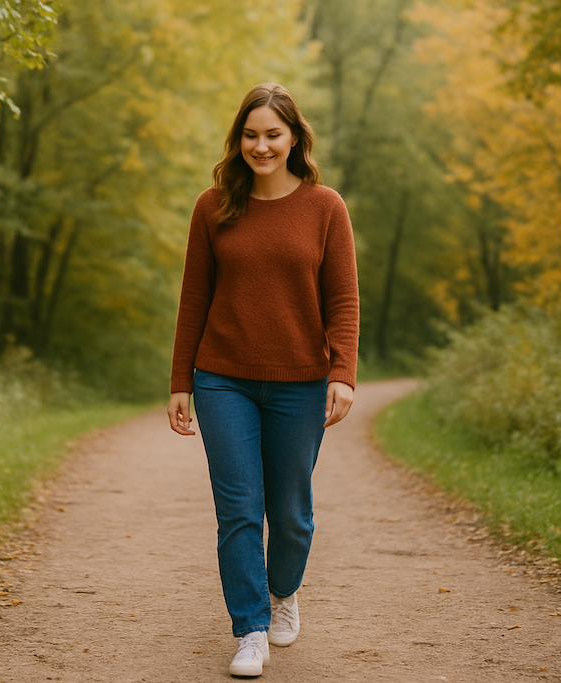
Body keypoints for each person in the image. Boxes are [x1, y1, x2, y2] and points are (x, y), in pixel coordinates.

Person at [166, 83, 359, 678]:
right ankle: (250, 628)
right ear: (238, 139)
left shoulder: (326, 207)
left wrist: (343, 373)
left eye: (272, 134)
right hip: (222, 378)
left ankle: (284, 593)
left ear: (294, 137)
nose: (261, 145)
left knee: (291, 510)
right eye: (250, 135)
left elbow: (343, 301)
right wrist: (181, 381)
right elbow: (193, 298)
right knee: (240, 509)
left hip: (301, 381)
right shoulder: (213, 206)